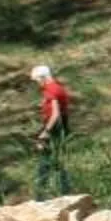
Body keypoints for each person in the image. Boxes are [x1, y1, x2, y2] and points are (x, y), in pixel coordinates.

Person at [31, 62, 76, 196]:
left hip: (55, 127)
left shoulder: (51, 89)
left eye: (37, 80)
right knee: (57, 158)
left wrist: (46, 132)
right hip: (61, 126)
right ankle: (64, 189)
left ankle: (41, 192)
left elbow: (55, 113)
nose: (37, 84)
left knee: (46, 158)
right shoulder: (58, 88)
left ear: (42, 77)